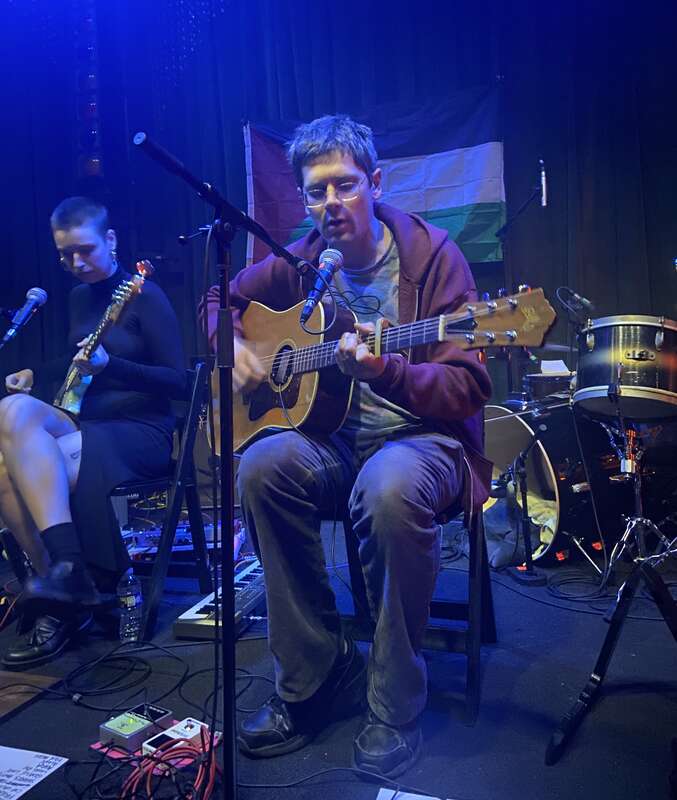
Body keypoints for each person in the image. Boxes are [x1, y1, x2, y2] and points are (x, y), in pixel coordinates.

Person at [201, 115, 492, 778]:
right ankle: (314, 676)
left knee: (386, 487)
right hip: (331, 444)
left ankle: (392, 704)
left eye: (344, 186)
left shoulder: (432, 256)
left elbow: (468, 385)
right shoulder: (303, 262)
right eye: (315, 192)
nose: (330, 204)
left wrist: (385, 369)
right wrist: (237, 348)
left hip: (423, 442)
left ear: (375, 182)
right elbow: (219, 297)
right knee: (261, 464)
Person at [0, 196, 186, 669]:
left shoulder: (145, 295)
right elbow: (76, 365)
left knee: (17, 466)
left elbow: (179, 381)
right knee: (12, 413)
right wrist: (34, 375)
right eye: (64, 254)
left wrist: (113, 365)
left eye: (84, 250)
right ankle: (63, 582)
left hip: (141, 429)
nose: (75, 262)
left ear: (111, 239)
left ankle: (65, 589)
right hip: (86, 421)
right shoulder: (79, 297)